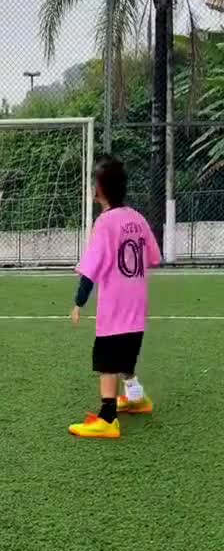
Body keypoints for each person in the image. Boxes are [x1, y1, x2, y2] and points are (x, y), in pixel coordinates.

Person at [69, 155, 162, 439]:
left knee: (107, 361)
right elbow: (153, 257)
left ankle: (108, 418)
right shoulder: (137, 218)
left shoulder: (105, 223)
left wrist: (79, 302)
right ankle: (136, 398)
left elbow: (91, 268)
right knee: (126, 356)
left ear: (99, 189)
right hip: (137, 306)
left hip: (115, 309)